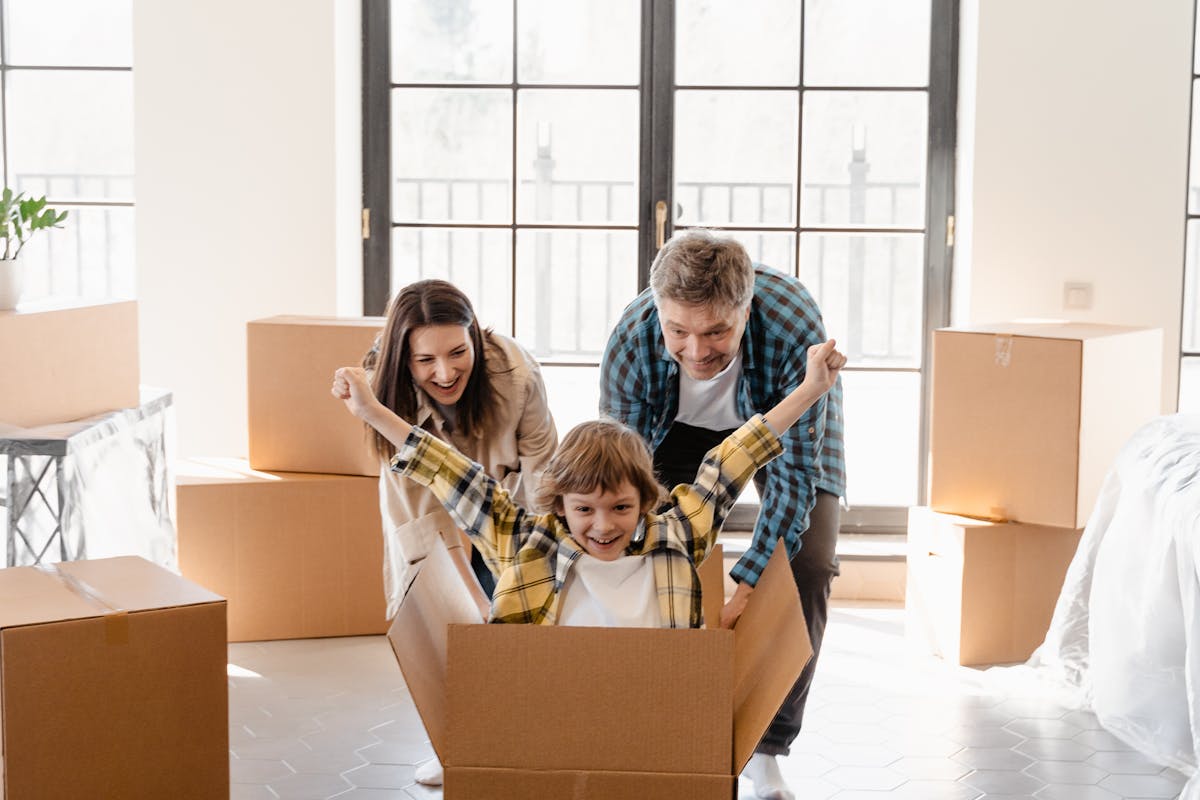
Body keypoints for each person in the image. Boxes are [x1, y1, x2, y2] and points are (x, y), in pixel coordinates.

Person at [332, 340, 843, 630]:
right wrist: (373, 412)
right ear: (558, 506)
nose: (603, 526)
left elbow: (734, 458)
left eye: (621, 508)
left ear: (647, 501)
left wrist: (810, 389)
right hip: (553, 710)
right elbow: (449, 469)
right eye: (584, 510)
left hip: (654, 708)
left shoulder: (678, 535)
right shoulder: (527, 543)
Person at [599, 230, 846, 800]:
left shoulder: (793, 326)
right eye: (678, 331)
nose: (695, 350)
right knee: (647, 553)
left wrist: (751, 579)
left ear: (746, 307)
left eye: (716, 331)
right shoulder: (631, 343)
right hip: (673, 433)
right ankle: (661, 723)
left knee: (805, 566)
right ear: (657, 311)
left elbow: (794, 476)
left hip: (782, 425)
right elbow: (623, 480)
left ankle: (767, 747)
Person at [361, 278, 557, 785]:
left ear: (475, 336)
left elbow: (542, 474)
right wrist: (472, 600)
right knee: (448, 623)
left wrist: (533, 564)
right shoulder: (381, 394)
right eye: (426, 360)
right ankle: (454, 744)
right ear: (403, 359)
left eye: (458, 352)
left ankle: (526, 740)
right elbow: (427, 517)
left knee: (523, 619)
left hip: (506, 507)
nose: (445, 373)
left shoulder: (516, 375)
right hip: (427, 514)